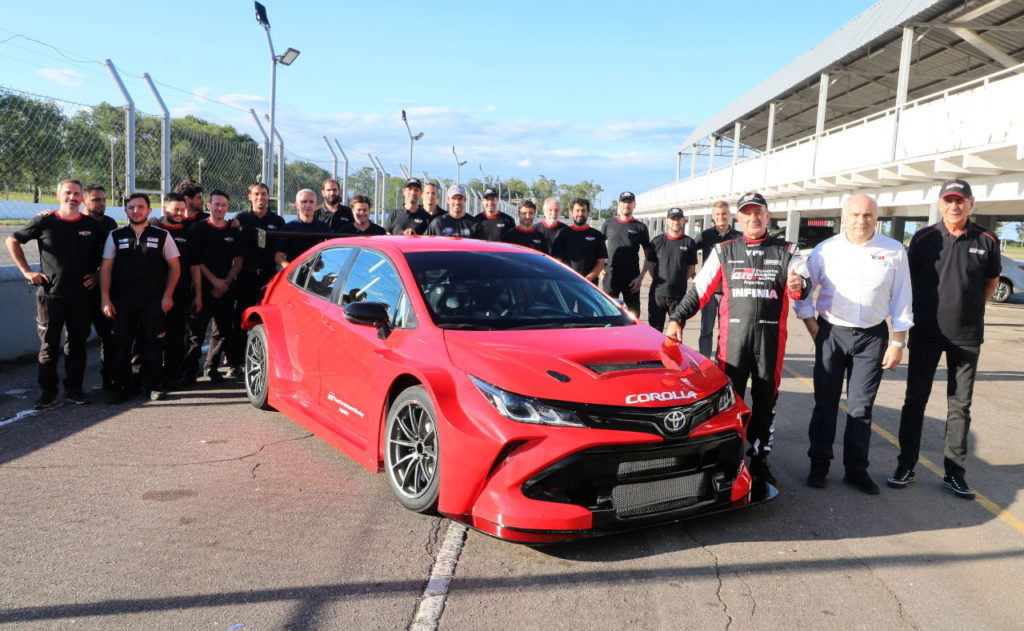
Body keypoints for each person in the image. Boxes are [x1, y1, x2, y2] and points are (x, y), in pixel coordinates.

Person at [665, 192, 810, 485]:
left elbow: (801, 285)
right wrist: (677, 318)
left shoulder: (788, 250)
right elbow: (700, 289)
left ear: (768, 217)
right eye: (748, 213)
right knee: (729, 401)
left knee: (766, 402)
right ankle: (729, 456)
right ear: (739, 218)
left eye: (759, 213)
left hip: (771, 341)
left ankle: (759, 459)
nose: (754, 218)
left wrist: (799, 284)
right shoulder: (724, 250)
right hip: (734, 342)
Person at [888, 179, 1001, 499]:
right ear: (940, 204)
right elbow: (906, 286)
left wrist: (968, 308)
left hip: (966, 337)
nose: (954, 206)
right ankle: (905, 464)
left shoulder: (987, 240)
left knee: (960, 406)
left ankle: (955, 473)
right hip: (926, 333)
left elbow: (990, 284)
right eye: (949, 200)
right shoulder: (924, 239)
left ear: (971, 204)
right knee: (915, 401)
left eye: (960, 200)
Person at [796, 194, 913, 495]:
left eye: (868, 215)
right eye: (855, 215)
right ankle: (818, 466)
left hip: (872, 337)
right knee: (825, 405)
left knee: (861, 408)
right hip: (832, 333)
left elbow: (902, 298)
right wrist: (812, 325)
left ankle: (856, 470)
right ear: (844, 216)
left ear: (877, 218)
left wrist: (898, 342)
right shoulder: (825, 250)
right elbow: (802, 289)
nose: (861, 221)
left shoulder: (894, 251)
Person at [6, 179, 106, 408]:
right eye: (68, 193)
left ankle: (74, 390)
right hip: (51, 296)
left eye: (76, 194)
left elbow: (110, 252)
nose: (72, 197)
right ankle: (48, 393)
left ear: (82, 198)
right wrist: (26, 271)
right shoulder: (45, 220)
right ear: (59, 195)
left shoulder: (92, 225)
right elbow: (12, 240)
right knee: (49, 346)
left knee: (77, 344)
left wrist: (99, 273)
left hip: (82, 296)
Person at [100, 193, 180, 402]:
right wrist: (105, 298)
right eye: (132, 207)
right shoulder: (115, 235)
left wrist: (168, 295)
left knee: (153, 344)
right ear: (125, 211)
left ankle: (152, 385)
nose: (136, 211)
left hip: (153, 301)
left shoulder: (163, 235)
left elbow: (175, 266)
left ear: (149, 210)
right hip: (122, 302)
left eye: (141, 207)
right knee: (120, 345)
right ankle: (121, 387)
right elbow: (106, 268)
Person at [186, 190, 242, 384]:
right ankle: (190, 371)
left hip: (226, 290)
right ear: (209, 206)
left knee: (222, 331)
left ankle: (211, 368)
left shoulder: (233, 230)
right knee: (196, 332)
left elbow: (239, 260)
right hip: (202, 289)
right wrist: (214, 281)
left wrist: (225, 282)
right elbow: (197, 261)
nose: (219, 208)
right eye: (216, 204)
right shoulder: (198, 229)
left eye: (223, 205)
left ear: (227, 207)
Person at [231, 183, 286, 375]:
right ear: (250, 196)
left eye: (264, 194)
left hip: (269, 276)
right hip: (245, 274)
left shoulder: (278, 221)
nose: (260, 197)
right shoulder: (241, 219)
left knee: (268, 320)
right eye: (256, 194)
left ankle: (266, 361)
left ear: (269, 196)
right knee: (241, 318)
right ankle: (235, 362)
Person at [156, 192, 203, 389]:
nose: (179, 213)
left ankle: (173, 376)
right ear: (165, 209)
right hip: (155, 294)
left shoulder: (189, 234)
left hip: (182, 294)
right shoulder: (154, 230)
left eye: (182, 209)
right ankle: (150, 376)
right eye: (175, 209)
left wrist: (198, 295)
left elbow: (195, 267)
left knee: (177, 337)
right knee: (154, 336)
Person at [81, 185, 118, 390]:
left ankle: (109, 381)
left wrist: (98, 274)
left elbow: (113, 255)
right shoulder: (75, 223)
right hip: (79, 292)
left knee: (109, 336)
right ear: (84, 201)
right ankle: (74, 386)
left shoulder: (110, 223)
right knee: (77, 339)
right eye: (96, 200)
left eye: (103, 199)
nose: (102, 203)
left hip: (105, 290)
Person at [694, 200, 740, 359]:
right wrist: (694, 275)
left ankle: (722, 361)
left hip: (730, 292)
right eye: (718, 214)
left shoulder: (738, 237)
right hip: (710, 292)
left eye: (724, 214)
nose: (721, 217)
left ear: (730, 215)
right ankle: (705, 361)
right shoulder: (705, 235)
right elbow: (688, 252)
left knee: (725, 331)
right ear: (713, 216)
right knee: (706, 330)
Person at [642, 208, 697, 332]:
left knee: (676, 332)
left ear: (683, 220)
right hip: (657, 295)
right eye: (673, 219)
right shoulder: (657, 242)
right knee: (655, 332)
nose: (676, 222)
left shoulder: (689, 242)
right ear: (667, 221)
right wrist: (657, 279)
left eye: (678, 219)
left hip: (678, 296)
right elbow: (650, 264)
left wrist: (680, 280)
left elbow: (691, 267)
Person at [601, 191, 651, 318]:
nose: (626, 205)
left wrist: (641, 277)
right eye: (624, 202)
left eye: (630, 202)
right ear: (619, 204)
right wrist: (600, 269)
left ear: (634, 205)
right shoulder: (608, 224)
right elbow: (598, 248)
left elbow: (648, 256)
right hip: (610, 275)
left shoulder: (641, 227)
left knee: (634, 315)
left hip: (632, 278)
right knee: (608, 313)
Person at [550, 198, 606, 284]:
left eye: (583, 211)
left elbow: (601, 262)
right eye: (577, 210)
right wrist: (569, 277)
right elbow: (557, 260)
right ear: (571, 213)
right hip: (567, 283)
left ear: (588, 213)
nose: (580, 214)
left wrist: (588, 278)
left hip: (590, 284)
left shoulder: (597, 235)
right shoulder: (563, 234)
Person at [275, 189, 330, 269]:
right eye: (304, 202)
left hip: (318, 274)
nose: (307, 205)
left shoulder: (325, 228)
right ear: (297, 204)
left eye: (311, 202)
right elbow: (279, 257)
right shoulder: (287, 228)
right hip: (294, 277)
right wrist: (293, 270)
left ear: (316, 205)